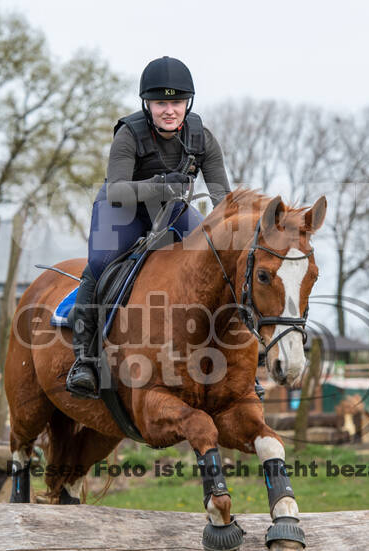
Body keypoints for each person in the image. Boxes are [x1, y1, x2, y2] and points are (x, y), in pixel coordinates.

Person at [66, 56, 231, 398]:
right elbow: (118, 190)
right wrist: (160, 186)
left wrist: (239, 227)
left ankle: (237, 357)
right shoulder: (129, 134)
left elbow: (222, 199)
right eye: (160, 103)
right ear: (147, 104)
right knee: (100, 263)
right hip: (121, 209)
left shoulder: (202, 139)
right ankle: (83, 358)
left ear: (187, 103)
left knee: (216, 256)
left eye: (176, 102)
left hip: (171, 209)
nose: (169, 110)